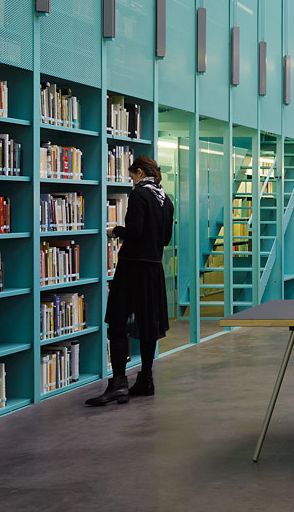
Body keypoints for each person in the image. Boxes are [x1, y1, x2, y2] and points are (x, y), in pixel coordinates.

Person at [87, 155, 174, 406]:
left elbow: (134, 232)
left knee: (117, 323)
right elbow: (165, 239)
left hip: (133, 268)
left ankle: (118, 384)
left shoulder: (139, 195)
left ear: (139, 172)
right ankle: (146, 380)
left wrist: (115, 231)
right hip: (153, 270)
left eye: (132, 175)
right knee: (148, 326)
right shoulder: (166, 200)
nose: (131, 181)